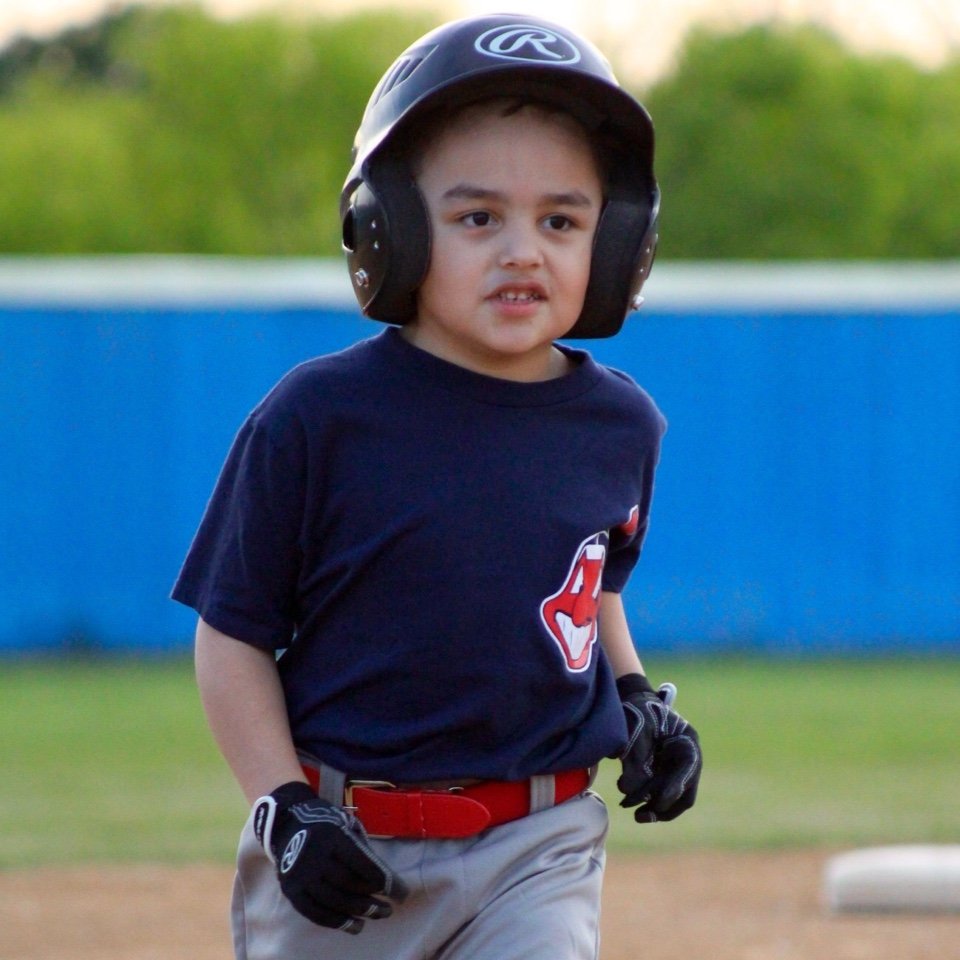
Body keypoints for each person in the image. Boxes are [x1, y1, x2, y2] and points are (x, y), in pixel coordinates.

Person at [173, 13, 702, 960]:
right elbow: (232, 633)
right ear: (390, 230)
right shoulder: (318, 419)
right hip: (346, 851)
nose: (523, 250)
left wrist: (637, 697)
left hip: (539, 839)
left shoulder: (622, 426)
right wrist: (284, 809)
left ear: (618, 244)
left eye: (562, 220)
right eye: (475, 217)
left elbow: (592, 585)